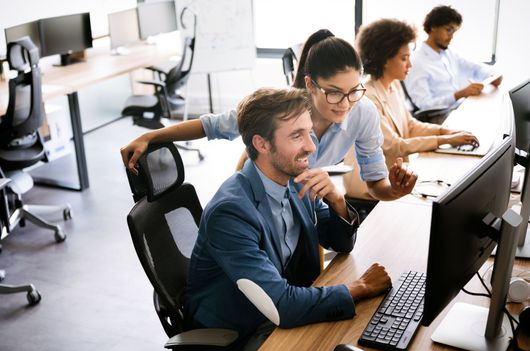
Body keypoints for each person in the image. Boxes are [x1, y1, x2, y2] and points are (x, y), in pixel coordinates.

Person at [183, 87, 392, 351]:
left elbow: (340, 242)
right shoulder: (231, 212)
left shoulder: (294, 180)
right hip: (245, 331)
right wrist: (360, 287)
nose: (311, 146)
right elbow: (282, 304)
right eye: (297, 135)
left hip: (280, 314)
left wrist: (336, 200)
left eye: (309, 132)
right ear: (262, 144)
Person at [121, 29, 417, 203]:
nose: (345, 103)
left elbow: (376, 185)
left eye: (354, 90)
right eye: (334, 92)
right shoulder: (278, 108)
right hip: (258, 190)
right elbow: (209, 126)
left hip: (301, 199)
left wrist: (397, 190)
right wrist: (151, 135)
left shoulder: (362, 112)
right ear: (310, 84)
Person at [343, 19, 479, 202]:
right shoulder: (367, 98)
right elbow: (394, 146)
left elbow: (410, 124)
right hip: (370, 188)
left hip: (394, 179)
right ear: (384, 59)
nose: (410, 65)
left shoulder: (393, 86)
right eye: (404, 58)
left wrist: (444, 131)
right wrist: (445, 140)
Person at [403, 5, 502, 112]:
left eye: (454, 32)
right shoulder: (417, 61)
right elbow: (424, 105)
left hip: (457, 109)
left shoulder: (449, 54)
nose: (451, 36)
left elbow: (476, 68)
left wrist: (492, 76)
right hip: (438, 117)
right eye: (448, 30)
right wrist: (459, 94)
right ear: (433, 27)